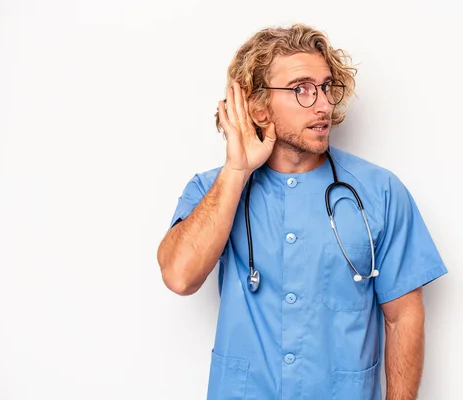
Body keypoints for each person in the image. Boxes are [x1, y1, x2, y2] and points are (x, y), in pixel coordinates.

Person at [157, 23, 447, 400]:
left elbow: (403, 316)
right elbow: (180, 277)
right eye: (302, 90)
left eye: (326, 87)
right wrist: (236, 171)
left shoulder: (380, 192)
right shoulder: (212, 190)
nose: (324, 104)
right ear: (257, 107)